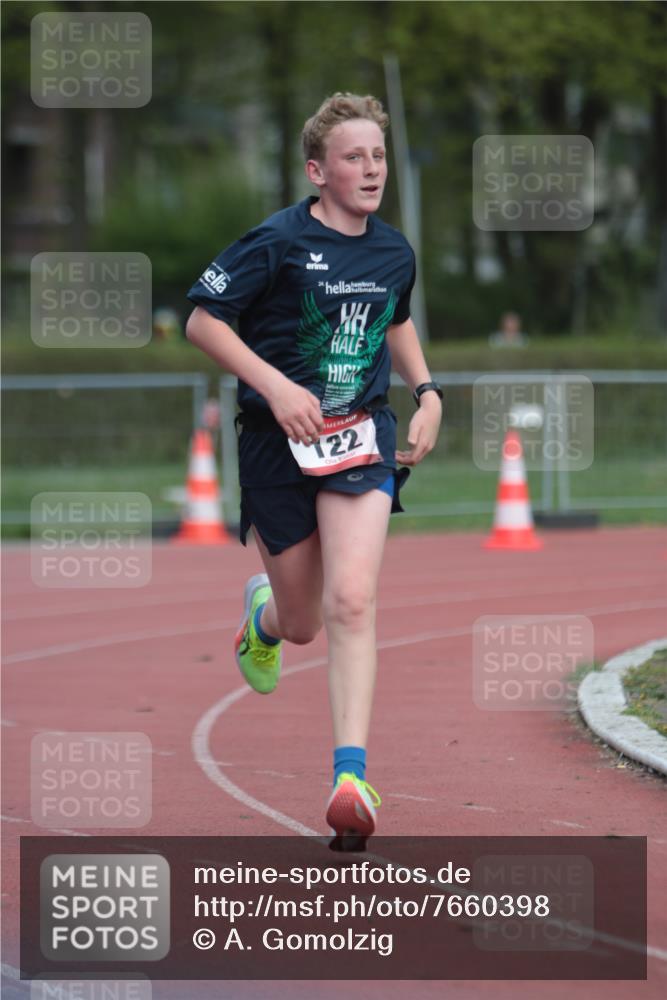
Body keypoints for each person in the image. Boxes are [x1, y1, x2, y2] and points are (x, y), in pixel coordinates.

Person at [185, 92, 442, 845]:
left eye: (378, 157)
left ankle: (350, 778)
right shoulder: (275, 242)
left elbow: (395, 317)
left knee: (353, 601)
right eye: (353, 158)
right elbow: (203, 318)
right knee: (301, 625)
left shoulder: (393, 250)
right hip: (276, 444)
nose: (370, 170)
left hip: (360, 437)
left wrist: (426, 393)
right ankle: (263, 615)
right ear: (317, 171)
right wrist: (276, 385)